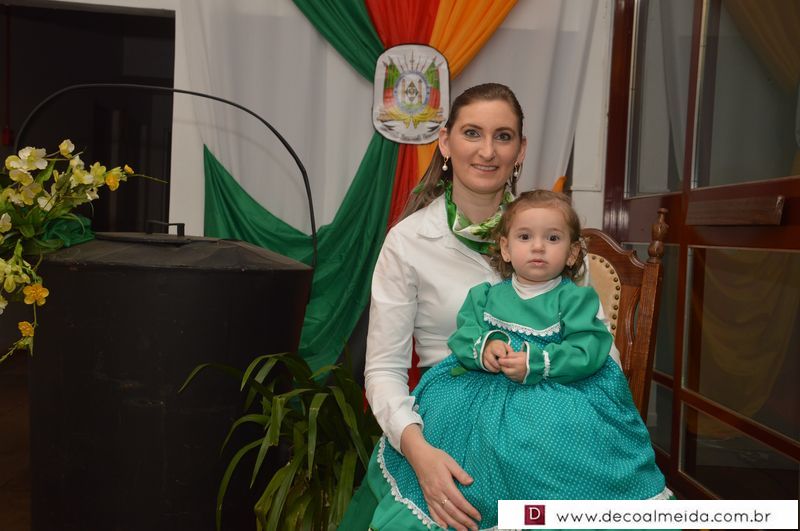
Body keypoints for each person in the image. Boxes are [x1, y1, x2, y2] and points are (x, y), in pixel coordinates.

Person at [338, 83, 626, 531]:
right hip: (450, 433)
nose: (487, 151)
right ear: (445, 142)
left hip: (556, 431)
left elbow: (601, 350)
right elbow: (383, 369)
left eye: (503, 136)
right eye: (472, 133)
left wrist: (600, 436)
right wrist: (420, 454)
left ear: (520, 150)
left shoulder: (555, 240)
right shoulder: (408, 241)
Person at [372, 190, 671, 530]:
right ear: (505, 248)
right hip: (479, 406)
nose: (538, 247)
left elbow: (589, 348)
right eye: (525, 237)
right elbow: (464, 336)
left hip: (560, 401)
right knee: (470, 454)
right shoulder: (485, 296)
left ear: (573, 253)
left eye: (553, 238)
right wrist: (485, 348)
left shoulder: (576, 300)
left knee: (551, 456)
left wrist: (539, 361)